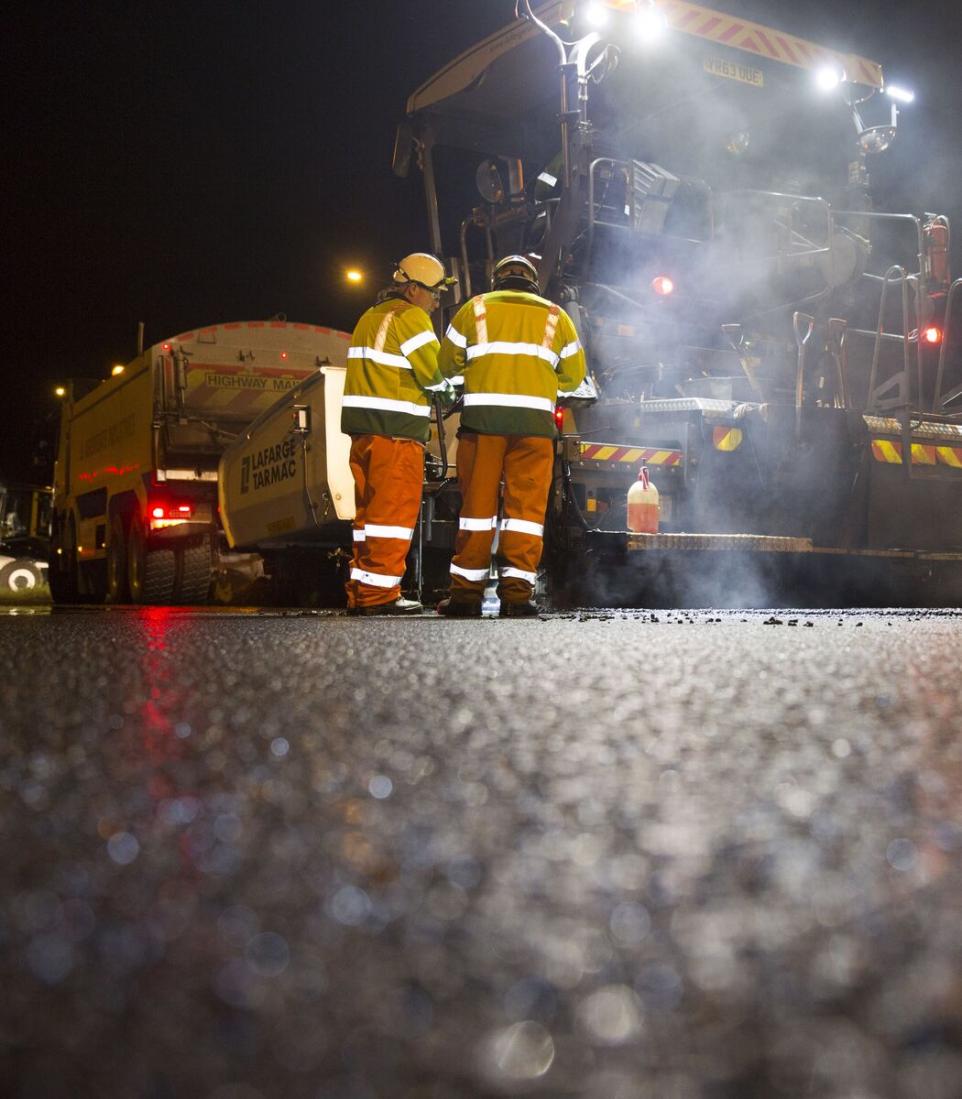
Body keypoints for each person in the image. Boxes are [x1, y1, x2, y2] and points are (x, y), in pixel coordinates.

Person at [436, 254, 587, 617]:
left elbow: (446, 365)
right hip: (535, 430)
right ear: (533, 282)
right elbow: (574, 376)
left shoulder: (474, 309)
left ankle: (465, 597)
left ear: (497, 280)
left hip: (482, 427)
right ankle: (517, 596)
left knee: (476, 511)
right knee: (525, 514)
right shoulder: (556, 316)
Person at [342, 253, 454, 615]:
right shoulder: (412, 318)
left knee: (368, 518)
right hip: (396, 434)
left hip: (363, 433)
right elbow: (434, 375)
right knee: (391, 516)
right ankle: (380, 596)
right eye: (434, 293)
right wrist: (452, 390)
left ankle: (362, 591)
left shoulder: (369, 317)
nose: (437, 301)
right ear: (411, 288)